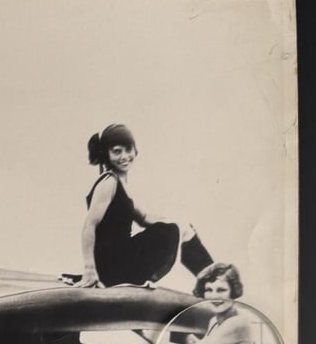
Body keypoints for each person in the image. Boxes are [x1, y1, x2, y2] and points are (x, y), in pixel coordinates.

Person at [65, 123, 215, 288]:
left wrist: (181, 224)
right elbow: (89, 226)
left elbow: (143, 217)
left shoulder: (121, 184)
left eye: (128, 150)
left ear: (136, 151)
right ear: (106, 154)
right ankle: (214, 281)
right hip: (111, 264)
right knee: (168, 231)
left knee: (179, 227)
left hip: (117, 261)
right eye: (117, 151)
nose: (124, 156)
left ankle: (211, 281)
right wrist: (89, 270)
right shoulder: (108, 182)